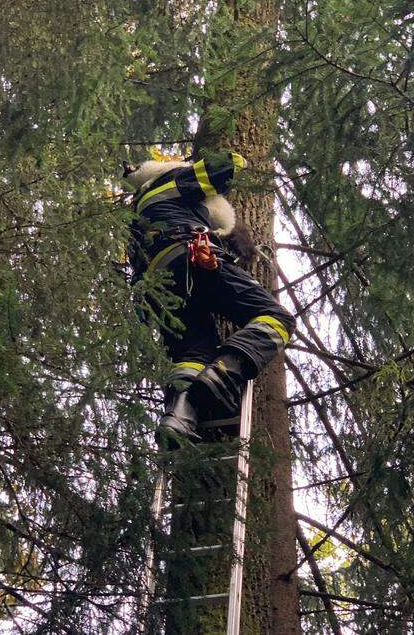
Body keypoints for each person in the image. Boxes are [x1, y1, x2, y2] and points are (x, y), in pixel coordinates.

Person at [125, 151, 295, 446]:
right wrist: (196, 165)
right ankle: (225, 371)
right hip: (194, 259)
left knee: (191, 354)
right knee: (277, 318)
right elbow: (226, 165)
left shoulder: (135, 219)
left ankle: (179, 417)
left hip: (160, 291)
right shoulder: (171, 182)